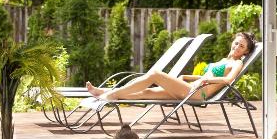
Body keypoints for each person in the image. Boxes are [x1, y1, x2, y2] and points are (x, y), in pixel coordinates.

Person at [86, 32, 256, 102]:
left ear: (246, 52)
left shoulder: (237, 63)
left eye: (241, 46)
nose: (237, 47)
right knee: (147, 92)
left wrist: (207, 81)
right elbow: (205, 77)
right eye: (236, 43)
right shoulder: (223, 60)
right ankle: (105, 92)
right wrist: (187, 77)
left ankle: (112, 94)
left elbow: (228, 80)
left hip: (199, 94)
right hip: (191, 87)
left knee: (155, 74)